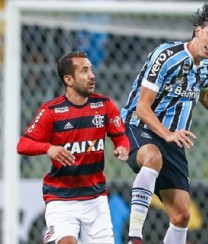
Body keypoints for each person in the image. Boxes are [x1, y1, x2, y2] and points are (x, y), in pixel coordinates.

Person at [121, 2, 208, 244]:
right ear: (197, 30)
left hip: (172, 140)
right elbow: (142, 108)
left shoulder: (207, 67)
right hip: (139, 127)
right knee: (152, 157)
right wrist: (167, 134)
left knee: (182, 215)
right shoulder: (166, 56)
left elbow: (205, 94)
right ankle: (134, 237)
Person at [17, 51, 130, 244]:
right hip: (61, 198)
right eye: (84, 71)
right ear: (68, 79)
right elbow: (23, 144)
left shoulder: (105, 105)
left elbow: (121, 138)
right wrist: (49, 148)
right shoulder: (51, 111)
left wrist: (123, 148)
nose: (92, 75)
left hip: (95, 198)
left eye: (91, 70)